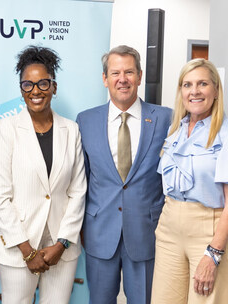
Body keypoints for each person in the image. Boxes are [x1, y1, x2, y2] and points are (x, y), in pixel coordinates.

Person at [151, 58, 228, 304]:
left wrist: (213, 254)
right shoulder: (175, 133)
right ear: (181, 91)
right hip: (168, 230)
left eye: (202, 84)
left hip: (209, 233)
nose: (194, 91)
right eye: (187, 85)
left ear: (216, 90)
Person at [0, 45, 86, 304]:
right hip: (17, 246)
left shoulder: (72, 130)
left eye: (43, 83)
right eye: (27, 85)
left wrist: (61, 244)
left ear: (54, 86)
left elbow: (77, 192)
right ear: (21, 90)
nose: (35, 91)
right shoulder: (7, 128)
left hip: (61, 248)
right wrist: (27, 251)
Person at [76, 45, 172, 304]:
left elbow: (170, 179)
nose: (123, 79)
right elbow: (80, 180)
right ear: (105, 79)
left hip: (146, 232)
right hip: (99, 233)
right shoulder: (85, 121)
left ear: (140, 76)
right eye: (115, 72)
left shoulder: (165, 119)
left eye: (129, 72)